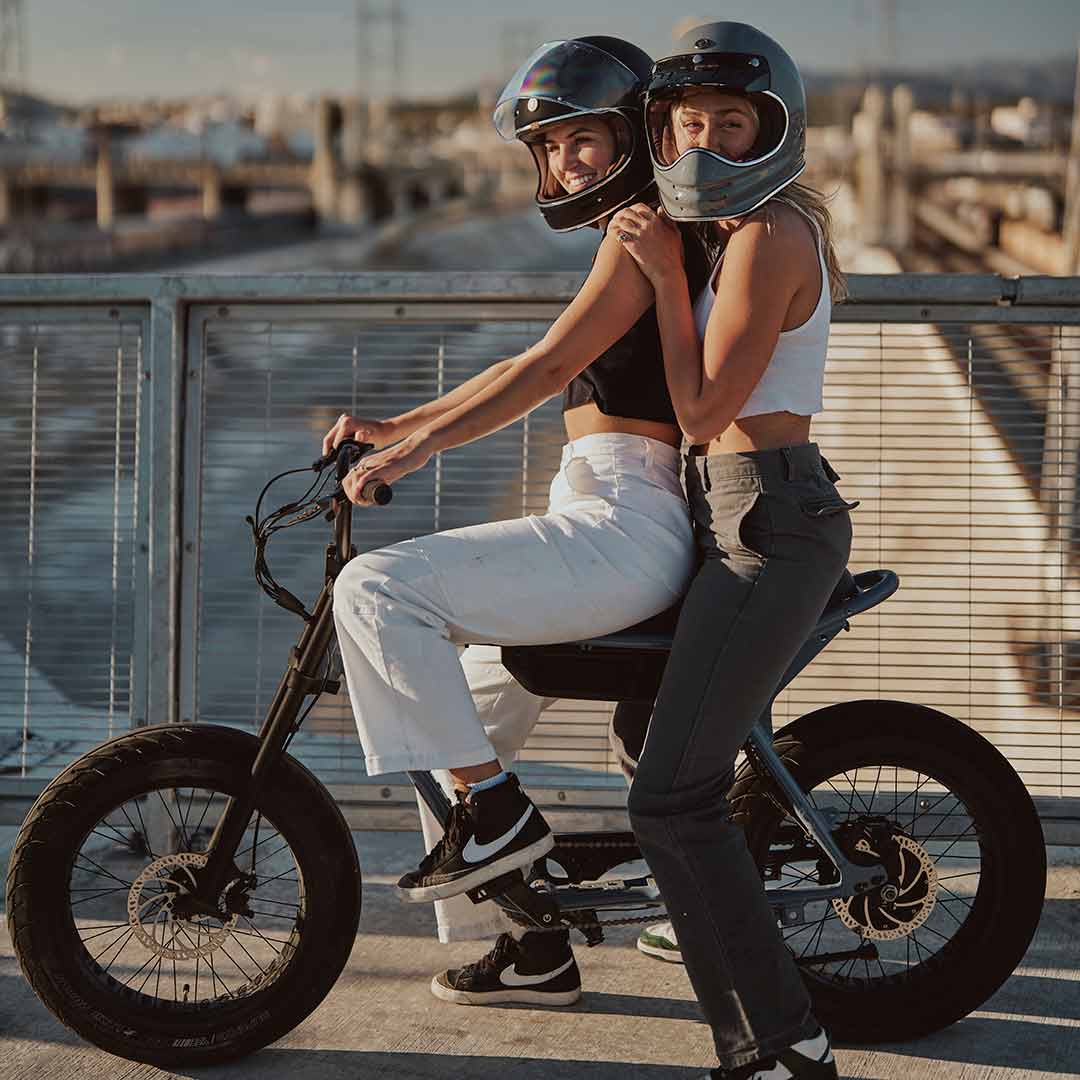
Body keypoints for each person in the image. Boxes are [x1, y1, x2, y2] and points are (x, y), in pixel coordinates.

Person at [327, 36, 705, 1008]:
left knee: (373, 588)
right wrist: (402, 424)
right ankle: (533, 944)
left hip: (627, 522)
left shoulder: (644, 229)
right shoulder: (634, 235)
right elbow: (530, 364)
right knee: (457, 716)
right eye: (554, 148)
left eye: (584, 141)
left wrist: (412, 454)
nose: (567, 163)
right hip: (601, 513)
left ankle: (498, 816)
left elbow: (540, 374)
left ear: (634, 134)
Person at [605, 21, 854, 1080]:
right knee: (637, 719)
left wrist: (664, 277)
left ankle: (782, 1045)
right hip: (731, 515)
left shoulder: (769, 236)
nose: (704, 141)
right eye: (687, 123)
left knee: (671, 797)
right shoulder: (740, 232)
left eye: (731, 123)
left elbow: (705, 407)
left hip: (767, 522)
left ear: (773, 132)